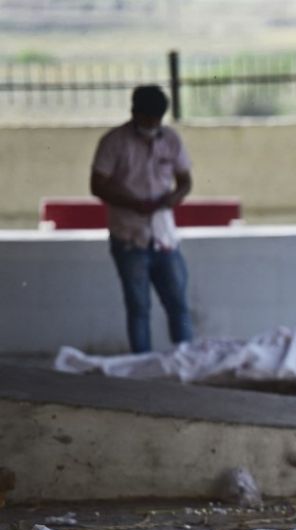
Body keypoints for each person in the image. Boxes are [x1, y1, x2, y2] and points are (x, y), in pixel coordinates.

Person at [90, 84, 193, 353]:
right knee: (139, 307)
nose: (152, 124)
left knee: (178, 304)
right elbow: (97, 185)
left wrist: (172, 199)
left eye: (157, 119)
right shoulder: (114, 142)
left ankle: (185, 360)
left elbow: (185, 180)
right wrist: (133, 203)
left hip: (164, 236)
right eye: (147, 118)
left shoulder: (170, 139)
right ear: (134, 112)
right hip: (129, 236)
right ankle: (141, 366)